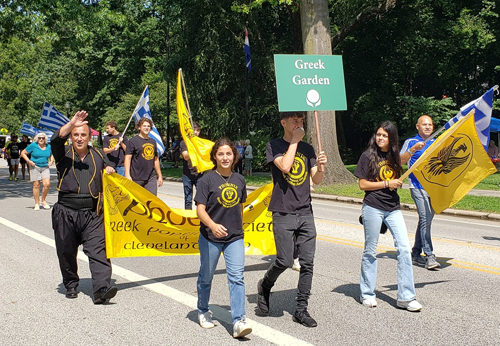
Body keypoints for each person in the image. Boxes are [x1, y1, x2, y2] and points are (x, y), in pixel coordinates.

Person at [256, 111, 327, 328]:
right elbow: (286, 167)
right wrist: (294, 141)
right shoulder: (274, 145)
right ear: (283, 123)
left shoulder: (308, 149)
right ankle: (265, 286)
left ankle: (301, 309)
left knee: (307, 263)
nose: (299, 123)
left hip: (305, 212)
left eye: (301, 120)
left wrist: (321, 165)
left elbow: (316, 179)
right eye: (294, 120)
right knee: (285, 261)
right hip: (283, 211)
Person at [51, 110, 117, 304]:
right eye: (75, 135)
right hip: (66, 212)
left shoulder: (97, 155)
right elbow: (56, 139)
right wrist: (72, 123)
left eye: (83, 135)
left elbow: (107, 170)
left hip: (93, 214)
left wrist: (109, 169)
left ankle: (101, 289)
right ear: (71, 137)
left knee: (99, 251)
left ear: (90, 137)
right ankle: (71, 284)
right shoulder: (62, 153)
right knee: (66, 251)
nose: (79, 138)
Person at [355, 121, 422, 312]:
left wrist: (415, 148)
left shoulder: (393, 156)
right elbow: (363, 185)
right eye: (378, 135)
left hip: (393, 208)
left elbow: (402, 159)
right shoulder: (367, 156)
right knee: (370, 250)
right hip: (373, 207)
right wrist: (387, 183)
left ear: (391, 138)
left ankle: (406, 298)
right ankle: (367, 294)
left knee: (403, 248)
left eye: (384, 135)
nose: (380, 138)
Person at [194, 137, 252, 338]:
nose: (225, 157)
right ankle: (202, 310)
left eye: (229, 153)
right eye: (221, 154)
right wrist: (212, 225)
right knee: (206, 276)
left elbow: (240, 207)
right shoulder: (206, 180)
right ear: (215, 157)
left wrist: (239, 227)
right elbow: (200, 210)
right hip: (210, 237)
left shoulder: (240, 180)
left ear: (234, 156)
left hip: (234, 237)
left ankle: (238, 321)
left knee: (237, 277)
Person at [400, 115, 440, 270]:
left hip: (434, 188)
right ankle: (429, 256)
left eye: (430, 124)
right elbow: (400, 160)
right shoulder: (411, 142)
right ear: (418, 126)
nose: (428, 127)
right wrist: (413, 149)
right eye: (424, 124)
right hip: (417, 186)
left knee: (426, 221)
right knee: (425, 219)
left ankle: (416, 253)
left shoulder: (437, 143)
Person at [124, 118, 163, 195]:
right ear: (139, 127)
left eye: (148, 126)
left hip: (150, 177)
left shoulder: (153, 142)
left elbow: (155, 159)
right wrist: (127, 175)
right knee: (136, 202)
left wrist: (160, 175)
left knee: (151, 200)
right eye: (144, 126)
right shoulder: (132, 141)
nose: (146, 128)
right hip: (136, 177)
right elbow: (127, 158)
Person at [21, 133, 53, 210]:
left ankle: (43, 200)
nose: (41, 139)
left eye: (42, 138)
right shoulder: (33, 145)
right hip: (35, 166)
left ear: (45, 139)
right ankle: (37, 203)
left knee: (47, 184)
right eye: (39, 138)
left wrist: (51, 161)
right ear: (37, 139)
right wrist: (28, 161)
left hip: (45, 166)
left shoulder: (49, 146)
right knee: (36, 185)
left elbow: (51, 154)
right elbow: (23, 153)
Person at [180, 122, 203, 209]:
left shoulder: (201, 143)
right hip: (187, 174)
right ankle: (188, 217)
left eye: (198, 130)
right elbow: (185, 156)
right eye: (194, 130)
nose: (196, 132)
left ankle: (201, 216)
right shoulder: (184, 142)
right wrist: (193, 147)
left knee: (201, 197)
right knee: (188, 198)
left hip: (200, 174)